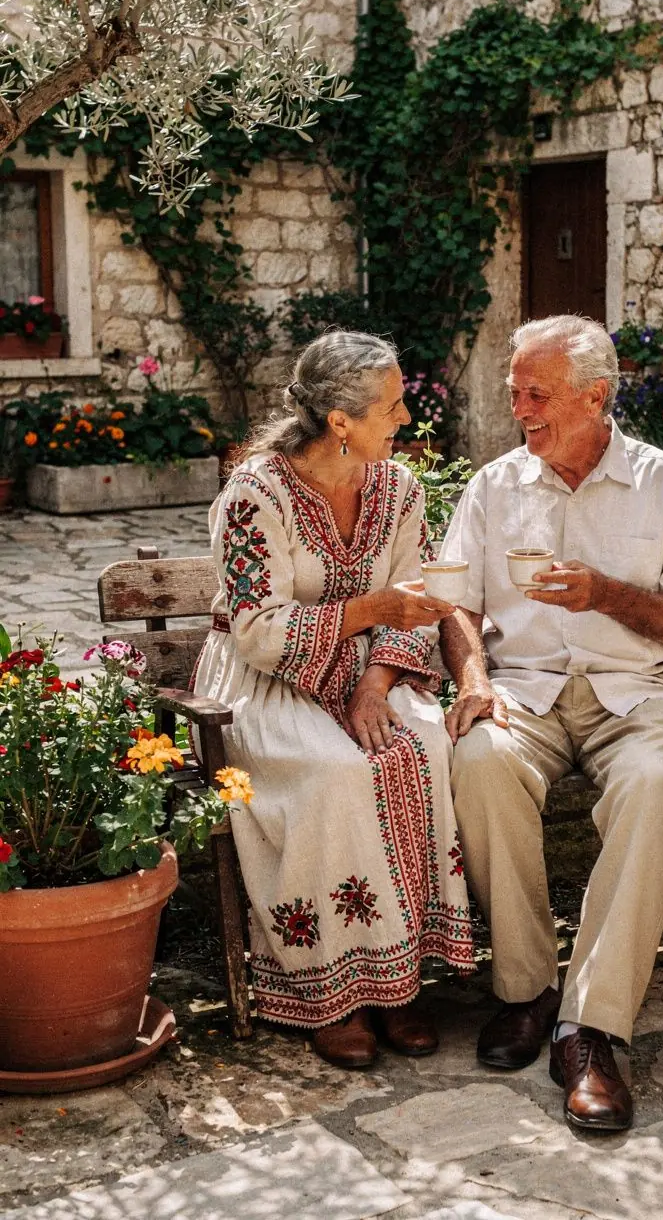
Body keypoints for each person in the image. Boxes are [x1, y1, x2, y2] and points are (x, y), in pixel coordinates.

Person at [438, 314, 663, 1132]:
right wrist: (471, 677)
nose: (520, 410)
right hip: (526, 691)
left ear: (596, 397)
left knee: (647, 786)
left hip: (639, 695)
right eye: (514, 393)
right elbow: (454, 602)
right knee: (480, 757)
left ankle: (591, 1029)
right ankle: (526, 990)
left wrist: (609, 594)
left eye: (539, 394)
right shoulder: (494, 485)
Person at [194, 330, 475, 1069]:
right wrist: (371, 612)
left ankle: (398, 980)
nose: (406, 419)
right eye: (392, 406)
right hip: (262, 682)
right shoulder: (257, 494)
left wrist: (376, 683)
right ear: (341, 422)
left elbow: (417, 604)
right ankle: (332, 992)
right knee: (335, 771)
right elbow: (255, 630)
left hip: (369, 669)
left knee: (422, 747)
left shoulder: (401, 489)